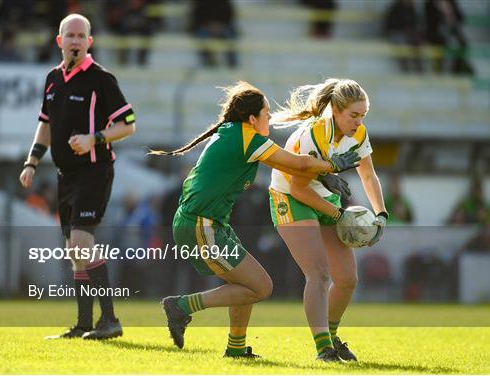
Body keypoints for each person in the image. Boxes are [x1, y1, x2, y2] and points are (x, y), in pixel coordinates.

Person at [150, 81, 361, 359]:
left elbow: (291, 166)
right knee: (260, 287)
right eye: (266, 112)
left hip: (206, 224)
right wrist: (334, 165)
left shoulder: (235, 133)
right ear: (252, 118)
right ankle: (181, 306)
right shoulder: (248, 137)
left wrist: (323, 174)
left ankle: (236, 348)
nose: (270, 118)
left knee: (246, 284)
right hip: (201, 225)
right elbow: (297, 164)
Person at [19, 14, 136, 340]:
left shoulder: (102, 78)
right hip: (65, 175)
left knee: (83, 244)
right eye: (69, 35)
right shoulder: (53, 78)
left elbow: (128, 125)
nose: (75, 41)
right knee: (74, 251)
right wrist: (32, 161)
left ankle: (110, 320)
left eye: (80, 36)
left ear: (89, 42)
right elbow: (45, 124)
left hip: (94, 171)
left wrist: (94, 138)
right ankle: (84, 324)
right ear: (60, 41)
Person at [268, 79, 388, 362]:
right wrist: (339, 215)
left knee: (347, 279)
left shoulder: (357, 134)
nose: (359, 122)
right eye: (353, 115)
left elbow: (368, 175)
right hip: (291, 198)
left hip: (324, 198)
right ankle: (323, 348)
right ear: (335, 110)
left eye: (363, 116)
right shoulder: (313, 135)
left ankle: (332, 337)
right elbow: (298, 188)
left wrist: (381, 214)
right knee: (319, 273)